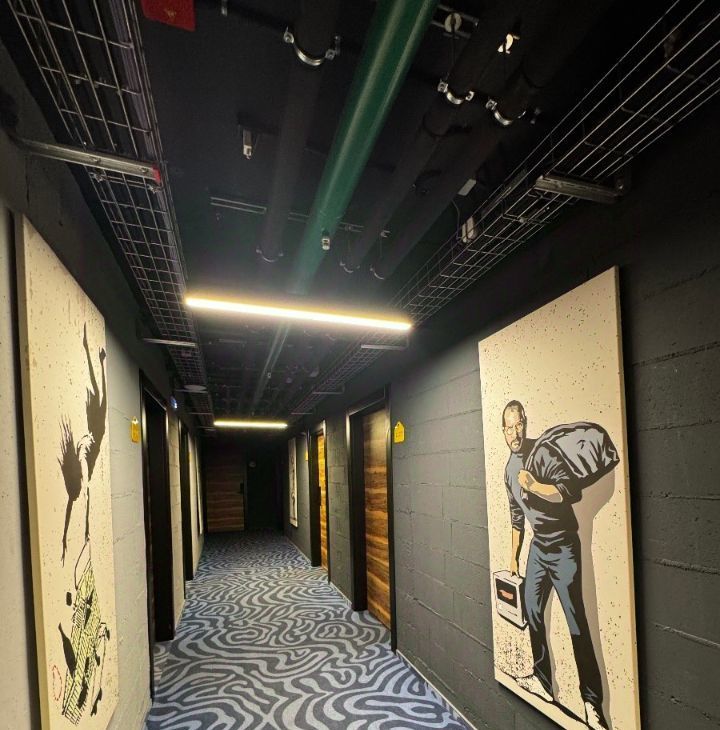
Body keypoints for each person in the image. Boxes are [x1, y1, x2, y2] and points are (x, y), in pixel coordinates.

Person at [502, 400, 608, 730]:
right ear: (503, 431)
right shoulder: (508, 470)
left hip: (563, 545)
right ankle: (543, 680)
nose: (515, 433)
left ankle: (592, 703)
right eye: (509, 428)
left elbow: (570, 491)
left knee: (576, 621)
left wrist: (535, 485)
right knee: (533, 610)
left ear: (525, 423)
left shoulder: (543, 452)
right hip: (539, 547)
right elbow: (517, 517)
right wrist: (513, 556)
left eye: (519, 425)